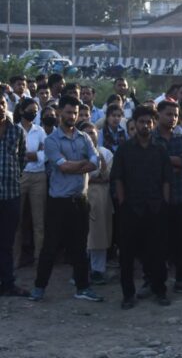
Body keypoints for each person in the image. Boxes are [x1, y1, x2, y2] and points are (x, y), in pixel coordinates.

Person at [29, 96, 103, 302]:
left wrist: (75, 165)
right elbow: (62, 166)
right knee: (50, 246)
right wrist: (82, 164)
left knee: (80, 247)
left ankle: (83, 287)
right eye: (69, 112)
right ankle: (39, 287)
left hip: (80, 200)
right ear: (60, 112)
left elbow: (96, 161)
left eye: (75, 113)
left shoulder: (84, 137)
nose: (72, 116)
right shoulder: (51, 140)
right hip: (58, 202)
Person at [111, 105, 172, 309]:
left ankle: (159, 290)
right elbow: (118, 178)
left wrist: (164, 203)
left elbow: (166, 179)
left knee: (157, 252)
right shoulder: (124, 149)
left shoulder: (160, 149)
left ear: (153, 124)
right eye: (141, 122)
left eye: (148, 122)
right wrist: (122, 204)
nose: (145, 125)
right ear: (134, 124)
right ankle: (128, 294)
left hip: (155, 208)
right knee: (127, 255)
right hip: (131, 208)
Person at [153, 100, 182, 296]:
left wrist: (168, 161)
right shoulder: (151, 139)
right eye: (168, 114)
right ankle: (155, 282)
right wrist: (174, 162)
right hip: (156, 200)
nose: (172, 118)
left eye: (175, 115)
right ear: (159, 115)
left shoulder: (181, 138)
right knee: (157, 243)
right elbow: (149, 163)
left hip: (180, 196)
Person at [0, 95, 30, 297]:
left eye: (2, 104)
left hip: (11, 194)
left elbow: (22, 160)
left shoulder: (17, 131)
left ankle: (8, 283)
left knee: (7, 242)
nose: (0, 107)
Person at [12, 98, 47, 268]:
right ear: (21, 111)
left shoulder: (39, 131)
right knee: (16, 220)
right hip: (20, 175)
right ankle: (14, 260)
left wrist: (31, 155)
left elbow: (45, 153)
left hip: (39, 176)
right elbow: (14, 155)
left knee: (39, 221)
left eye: (35, 110)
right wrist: (33, 155)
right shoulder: (13, 130)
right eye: (30, 110)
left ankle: (40, 259)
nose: (33, 113)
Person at [78, 121, 113, 286]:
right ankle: (80, 270)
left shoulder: (105, 153)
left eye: (92, 133)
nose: (90, 136)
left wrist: (94, 176)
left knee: (99, 236)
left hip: (101, 199)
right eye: (86, 133)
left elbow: (107, 177)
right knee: (80, 236)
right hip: (80, 197)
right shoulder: (74, 153)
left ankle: (98, 270)